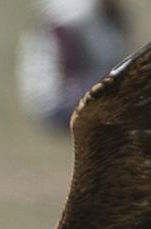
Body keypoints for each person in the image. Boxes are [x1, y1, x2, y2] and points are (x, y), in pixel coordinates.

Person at [17, 0, 133, 131]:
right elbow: (68, 61)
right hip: (60, 101)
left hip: (50, 98)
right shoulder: (77, 12)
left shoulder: (72, 9)